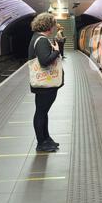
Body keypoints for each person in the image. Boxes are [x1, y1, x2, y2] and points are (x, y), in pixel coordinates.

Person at [28, 13, 64, 152]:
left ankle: (46, 138)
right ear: (48, 26)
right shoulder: (42, 40)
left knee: (43, 112)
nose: (55, 27)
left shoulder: (37, 37)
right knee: (41, 112)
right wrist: (56, 51)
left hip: (44, 85)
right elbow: (44, 61)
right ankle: (41, 143)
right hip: (45, 85)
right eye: (53, 24)